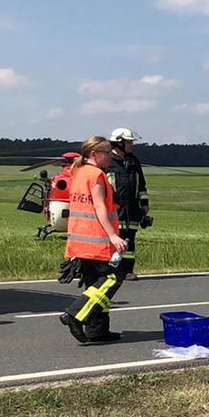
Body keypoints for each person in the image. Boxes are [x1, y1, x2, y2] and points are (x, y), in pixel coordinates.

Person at [59, 136, 130, 343]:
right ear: (93, 154)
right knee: (112, 278)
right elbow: (100, 207)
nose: (110, 155)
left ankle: (96, 330)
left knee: (93, 286)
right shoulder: (96, 175)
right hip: (97, 240)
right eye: (106, 152)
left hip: (79, 241)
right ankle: (74, 314)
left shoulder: (78, 172)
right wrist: (113, 235)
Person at [107, 128, 150, 278]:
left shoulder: (133, 160)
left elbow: (141, 184)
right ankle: (113, 270)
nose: (132, 144)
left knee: (129, 240)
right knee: (115, 240)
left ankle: (128, 270)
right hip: (113, 208)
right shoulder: (108, 161)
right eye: (129, 141)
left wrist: (144, 204)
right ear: (119, 142)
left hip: (132, 208)